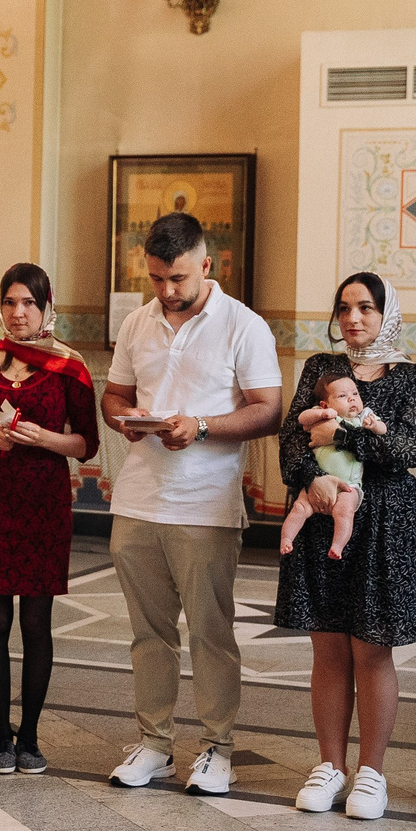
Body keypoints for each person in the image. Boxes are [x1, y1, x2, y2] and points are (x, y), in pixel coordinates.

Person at [101, 212, 283, 795]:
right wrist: (124, 421)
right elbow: (115, 394)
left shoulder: (243, 325)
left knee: (210, 632)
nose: (167, 291)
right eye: (156, 279)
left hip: (205, 505)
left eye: (177, 278)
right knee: (147, 633)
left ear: (207, 265)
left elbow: (268, 409)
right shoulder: (138, 322)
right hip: (138, 499)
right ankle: (155, 744)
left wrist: (201, 426)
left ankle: (216, 748)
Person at [274, 273, 416, 820]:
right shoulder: (321, 369)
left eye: (366, 307)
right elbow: (292, 437)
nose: (353, 319)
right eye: (344, 308)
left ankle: (372, 772)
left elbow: (405, 448)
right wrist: (310, 479)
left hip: (384, 519)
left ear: (386, 312)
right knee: (327, 646)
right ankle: (330, 765)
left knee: (371, 647)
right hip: (323, 513)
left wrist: (339, 435)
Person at [0, 264, 99, 775]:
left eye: (29, 304)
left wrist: (46, 440)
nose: (18, 313)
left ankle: (30, 737)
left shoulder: (69, 367)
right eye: (11, 302)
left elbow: (86, 443)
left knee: (36, 621)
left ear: (45, 308)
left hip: (45, 504)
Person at [277, 374, 384, 560]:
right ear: (325, 404)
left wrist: (374, 426)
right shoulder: (321, 415)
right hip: (317, 480)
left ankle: (337, 545)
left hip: (349, 485)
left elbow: (383, 430)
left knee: (344, 512)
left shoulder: (363, 416)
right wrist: (322, 414)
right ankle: (286, 539)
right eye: (342, 396)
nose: (351, 398)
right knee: (300, 508)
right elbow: (302, 418)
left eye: (355, 393)